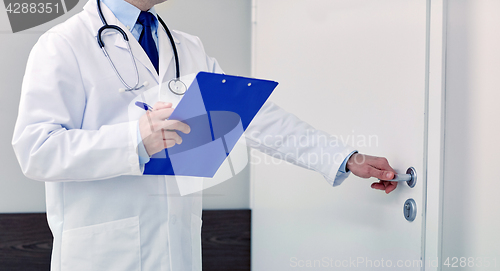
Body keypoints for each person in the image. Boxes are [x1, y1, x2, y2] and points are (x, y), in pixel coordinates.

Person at [11, 0, 398, 270]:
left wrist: (344, 157)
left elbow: (254, 118)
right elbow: (35, 149)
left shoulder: (186, 48)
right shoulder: (63, 45)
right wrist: (134, 140)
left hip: (177, 250)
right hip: (104, 254)